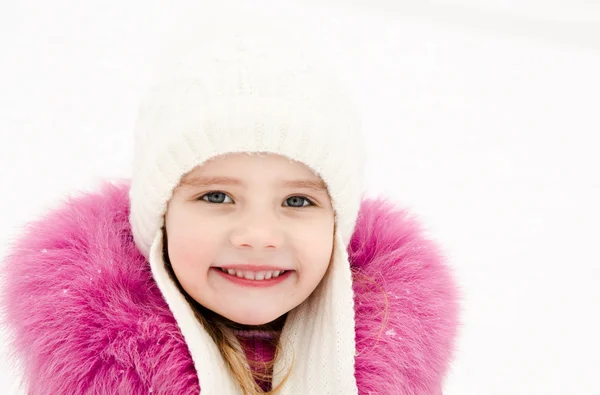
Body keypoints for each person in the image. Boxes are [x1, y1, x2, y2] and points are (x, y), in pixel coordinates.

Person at [1, 21, 459, 395]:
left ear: (338, 225)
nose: (259, 234)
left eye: (297, 200)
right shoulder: (92, 370)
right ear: (158, 217)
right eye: (217, 196)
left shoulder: (393, 357)